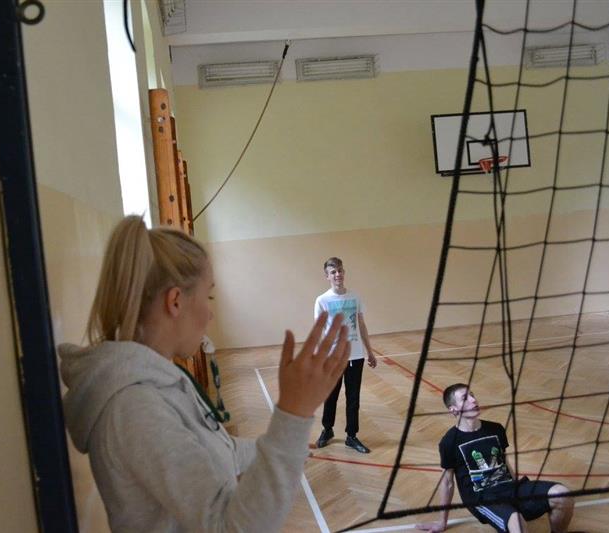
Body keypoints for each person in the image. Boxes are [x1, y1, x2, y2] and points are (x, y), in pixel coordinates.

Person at [58, 215, 351, 533]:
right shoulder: (134, 407)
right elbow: (229, 527)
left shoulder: (159, 380)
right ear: (175, 301)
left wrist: (281, 446)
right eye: (208, 296)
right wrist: (293, 414)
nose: (210, 313)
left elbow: (219, 451)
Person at [416, 383, 574, 533]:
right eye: (465, 398)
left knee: (562, 495)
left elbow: (505, 463)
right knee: (517, 522)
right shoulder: (449, 442)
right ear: (454, 409)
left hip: (509, 488)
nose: (473, 400)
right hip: (482, 497)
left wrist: (517, 491)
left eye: (472, 395)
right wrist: (442, 521)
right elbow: (447, 483)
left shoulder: (496, 429)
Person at [314, 257, 377, 454]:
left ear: (344, 272)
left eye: (340, 270)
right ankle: (327, 430)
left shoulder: (355, 297)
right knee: (330, 396)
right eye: (333, 272)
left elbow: (362, 325)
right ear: (327, 276)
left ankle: (352, 436)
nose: (337, 274)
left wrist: (369, 351)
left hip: (355, 357)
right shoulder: (322, 300)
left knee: (353, 398)